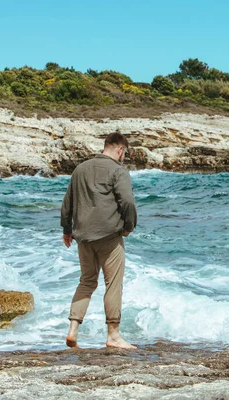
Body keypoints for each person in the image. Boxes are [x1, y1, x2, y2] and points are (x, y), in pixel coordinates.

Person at [60, 132, 137, 349]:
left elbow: (68, 203)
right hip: (109, 238)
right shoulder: (118, 171)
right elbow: (128, 202)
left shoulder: (80, 169)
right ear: (120, 150)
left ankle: (73, 329)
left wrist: (67, 230)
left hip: (83, 237)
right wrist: (129, 226)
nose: (125, 157)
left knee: (86, 281)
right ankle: (113, 335)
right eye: (126, 153)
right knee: (112, 284)